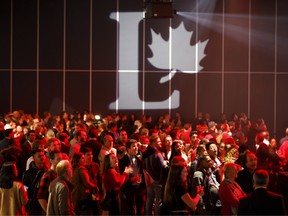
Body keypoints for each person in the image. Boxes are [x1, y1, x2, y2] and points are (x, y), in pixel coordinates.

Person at [119, 139, 146, 215]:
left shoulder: (139, 159)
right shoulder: (123, 161)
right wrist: (131, 179)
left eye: (137, 146)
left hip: (139, 189)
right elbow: (121, 177)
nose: (136, 148)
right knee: (132, 211)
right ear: (128, 149)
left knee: (140, 211)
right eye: (134, 146)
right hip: (129, 190)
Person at [143, 135, 168, 215]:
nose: (160, 142)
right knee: (158, 201)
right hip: (158, 179)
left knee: (149, 199)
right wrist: (166, 163)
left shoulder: (145, 153)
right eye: (158, 141)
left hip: (149, 180)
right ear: (153, 142)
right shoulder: (157, 153)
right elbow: (163, 167)